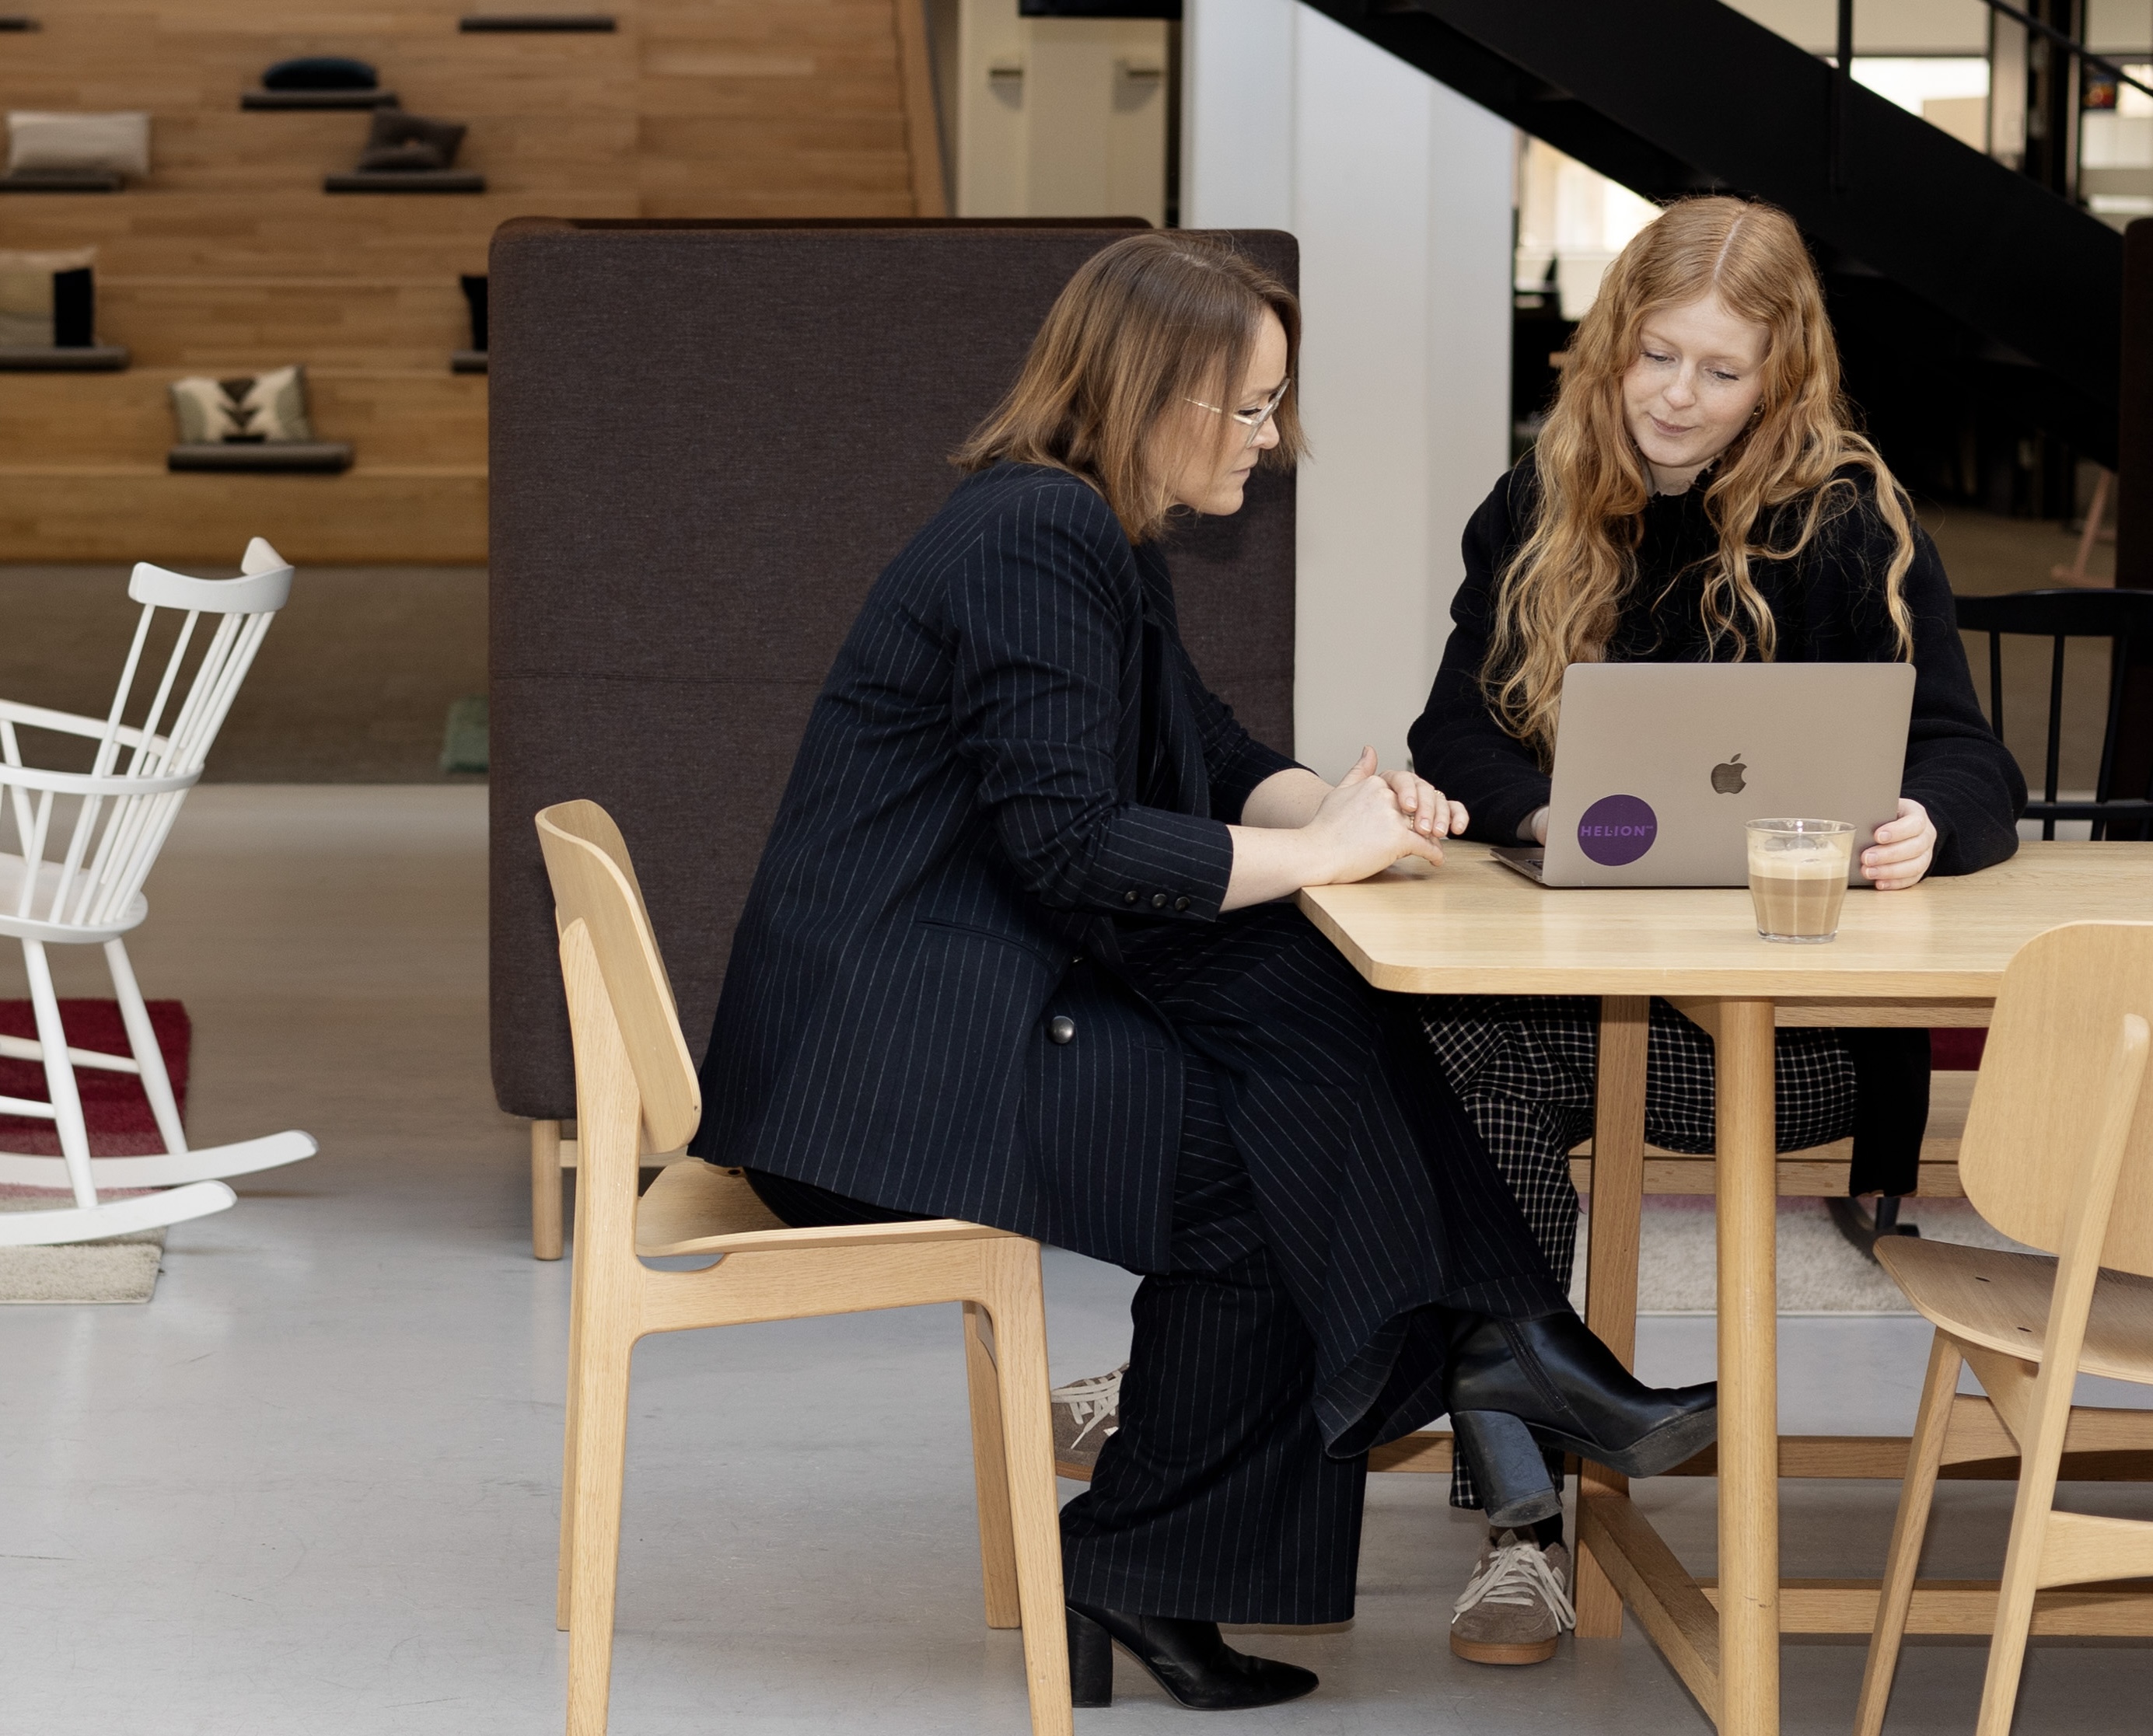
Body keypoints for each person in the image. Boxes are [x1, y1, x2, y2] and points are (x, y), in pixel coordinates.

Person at [690, 231, 1715, 1713]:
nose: (1269, 439)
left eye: (1272, 405)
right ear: (1149, 394)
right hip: (875, 1081)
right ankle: (1460, 1369)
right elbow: (1070, 842)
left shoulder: (1078, 529)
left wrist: (1350, 814)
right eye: (1248, 407)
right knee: (1281, 1157)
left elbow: (1212, 752)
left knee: (1300, 1048)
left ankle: (1486, 1361)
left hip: (937, 1016)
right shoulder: (1034, 539)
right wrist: (1316, 855)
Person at [1408, 195, 2026, 1665]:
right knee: (1458, 1055)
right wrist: (1543, 812)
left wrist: (1924, 821)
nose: (1677, 396)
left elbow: (1968, 758)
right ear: (1611, 345)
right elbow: (1452, 733)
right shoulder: (1540, 499)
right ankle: (1524, 1486)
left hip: (1788, 1041)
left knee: (1451, 1063)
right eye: (1655, 355)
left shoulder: (1847, 516)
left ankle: (1486, 1473)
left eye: (1720, 370)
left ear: (1779, 376)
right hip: (1590, 1011)